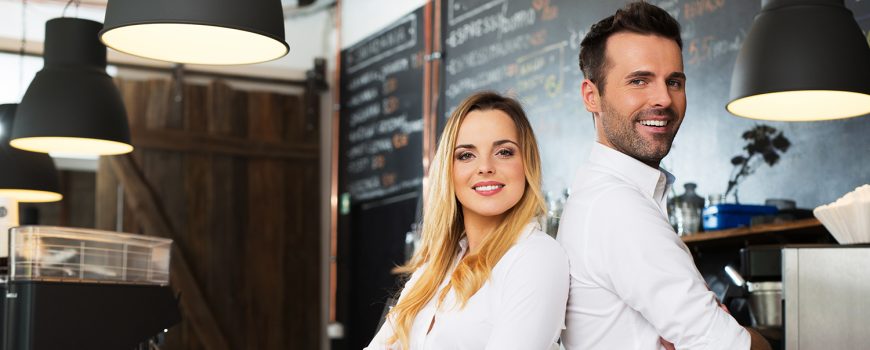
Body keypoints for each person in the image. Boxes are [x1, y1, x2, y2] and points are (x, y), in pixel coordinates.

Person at [556, 2, 771, 350]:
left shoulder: (604, 195)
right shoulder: (618, 207)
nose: (664, 99)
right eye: (639, 80)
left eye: (674, 81)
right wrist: (756, 338)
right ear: (591, 96)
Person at [365, 91, 569, 349]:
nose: (485, 167)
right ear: (448, 171)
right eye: (466, 155)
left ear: (527, 164)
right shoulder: (434, 269)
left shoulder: (536, 257)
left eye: (504, 152)